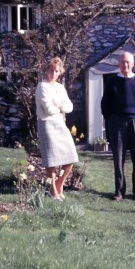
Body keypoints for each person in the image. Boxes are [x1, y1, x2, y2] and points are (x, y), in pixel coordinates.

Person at [101, 51, 135, 201]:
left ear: (133, 64)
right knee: (118, 158)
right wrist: (111, 121)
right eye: (123, 62)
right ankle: (119, 191)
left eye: (128, 62)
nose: (125, 65)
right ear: (118, 64)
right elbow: (105, 105)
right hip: (117, 122)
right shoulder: (112, 81)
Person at [35, 57, 78, 201]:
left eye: (56, 71)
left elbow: (70, 107)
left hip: (60, 123)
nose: (53, 73)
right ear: (46, 71)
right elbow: (47, 109)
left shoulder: (60, 87)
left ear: (60, 72)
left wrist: (59, 106)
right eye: (51, 70)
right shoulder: (42, 86)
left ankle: (59, 185)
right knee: (51, 160)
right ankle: (53, 190)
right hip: (46, 123)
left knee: (71, 156)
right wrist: (60, 107)